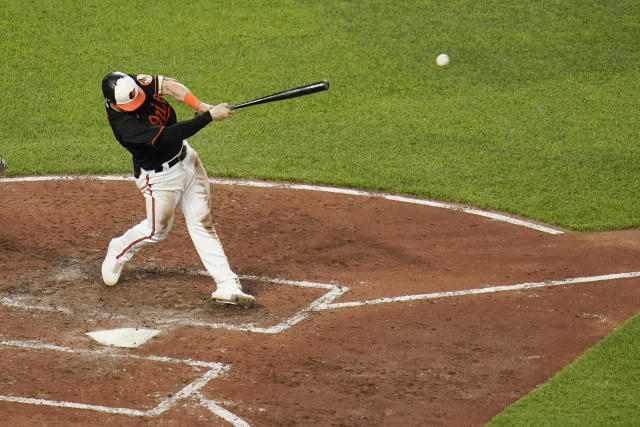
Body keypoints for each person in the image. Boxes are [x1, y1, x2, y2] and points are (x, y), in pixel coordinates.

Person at [100, 71, 255, 308]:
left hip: (187, 160)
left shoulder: (130, 84)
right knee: (156, 231)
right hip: (160, 180)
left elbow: (168, 86)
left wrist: (199, 105)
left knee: (202, 221)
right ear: (113, 103)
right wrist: (208, 117)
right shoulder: (126, 128)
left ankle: (227, 284)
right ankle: (120, 248)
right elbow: (169, 135)